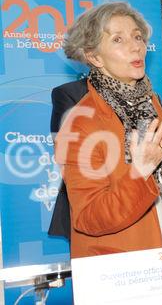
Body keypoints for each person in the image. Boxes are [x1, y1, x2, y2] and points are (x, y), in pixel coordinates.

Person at [54, 2, 162, 258]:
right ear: (94, 57)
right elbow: (88, 217)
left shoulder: (150, 105)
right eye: (118, 39)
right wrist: (140, 171)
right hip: (119, 267)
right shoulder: (80, 123)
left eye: (137, 36)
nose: (135, 46)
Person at [48, 78, 88, 240]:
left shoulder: (150, 95)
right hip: (90, 205)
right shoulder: (71, 93)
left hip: (150, 205)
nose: (136, 50)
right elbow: (67, 152)